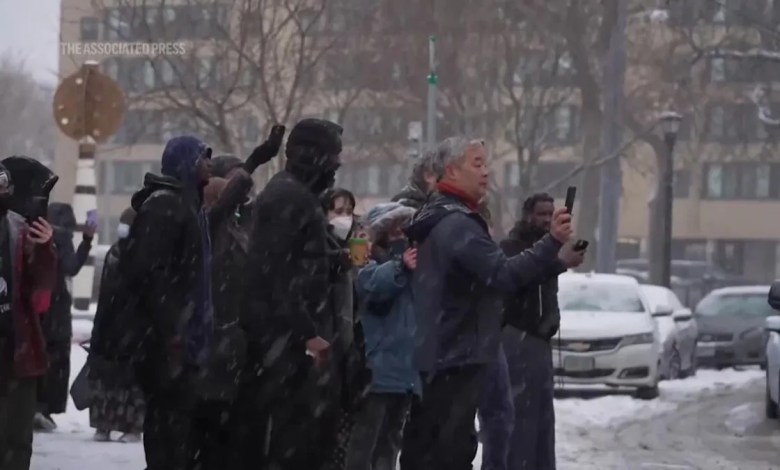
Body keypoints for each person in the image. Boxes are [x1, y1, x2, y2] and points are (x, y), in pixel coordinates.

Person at [400, 137, 575, 470]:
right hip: (455, 358)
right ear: (451, 170)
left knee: (434, 448)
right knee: (447, 453)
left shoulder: (441, 215)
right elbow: (503, 274)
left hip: (443, 354)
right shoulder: (456, 224)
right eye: (477, 164)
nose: (486, 172)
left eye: (486, 163)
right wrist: (552, 241)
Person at [236, 118, 344, 470]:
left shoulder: (297, 195)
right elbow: (277, 275)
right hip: (284, 345)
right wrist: (307, 333)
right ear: (312, 156)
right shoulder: (288, 197)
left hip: (288, 342)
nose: (337, 165)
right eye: (333, 156)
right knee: (289, 442)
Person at [189, 126, 284, 470]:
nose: (241, 192)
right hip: (212, 349)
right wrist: (256, 160)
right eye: (228, 184)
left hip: (241, 349)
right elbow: (231, 196)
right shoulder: (205, 223)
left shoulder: (244, 226)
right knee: (208, 440)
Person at [120, 135, 213, 470]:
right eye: (203, 157)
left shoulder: (188, 205)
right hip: (166, 345)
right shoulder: (166, 206)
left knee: (178, 433)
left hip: (181, 343)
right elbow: (149, 273)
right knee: (167, 434)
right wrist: (172, 328)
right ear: (186, 162)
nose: (209, 165)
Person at [501, 193, 584, 470]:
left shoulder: (548, 249)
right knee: (521, 419)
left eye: (551, 213)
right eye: (541, 214)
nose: (547, 219)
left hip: (541, 340)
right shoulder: (513, 247)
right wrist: (559, 263)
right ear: (527, 215)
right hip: (518, 338)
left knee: (542, 421)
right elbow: (521, 276)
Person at [345, 202, 420, 470]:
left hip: (403, 373)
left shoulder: (409, 265)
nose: (401, 233)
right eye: (395, 227)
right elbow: (370, 284)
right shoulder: (367, 258)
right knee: (365, 443)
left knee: (389, 444)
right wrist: (401, 267)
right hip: (376, 370)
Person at [0, 162, 56, 470]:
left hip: (17, 350)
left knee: (18, 442)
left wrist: (45, 248)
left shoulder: (20, 230)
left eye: (4, 186)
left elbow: (43, 287)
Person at [34, 203, 94, 432]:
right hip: (57, 308)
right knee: (57, 361)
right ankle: (47, 407)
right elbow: (71, 267)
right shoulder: (62, 237)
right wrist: (86, 242)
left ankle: (34, 406)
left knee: (38, 357)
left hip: (38, 307)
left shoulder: (36, 232)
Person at [88, 207, 145, 443]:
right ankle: (104, 424)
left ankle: (131, 426)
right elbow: (105, 295)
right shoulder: (114, 252)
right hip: (110, 327)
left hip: (130, 328)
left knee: (128, 380)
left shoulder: (141, 254)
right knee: (106, 378)